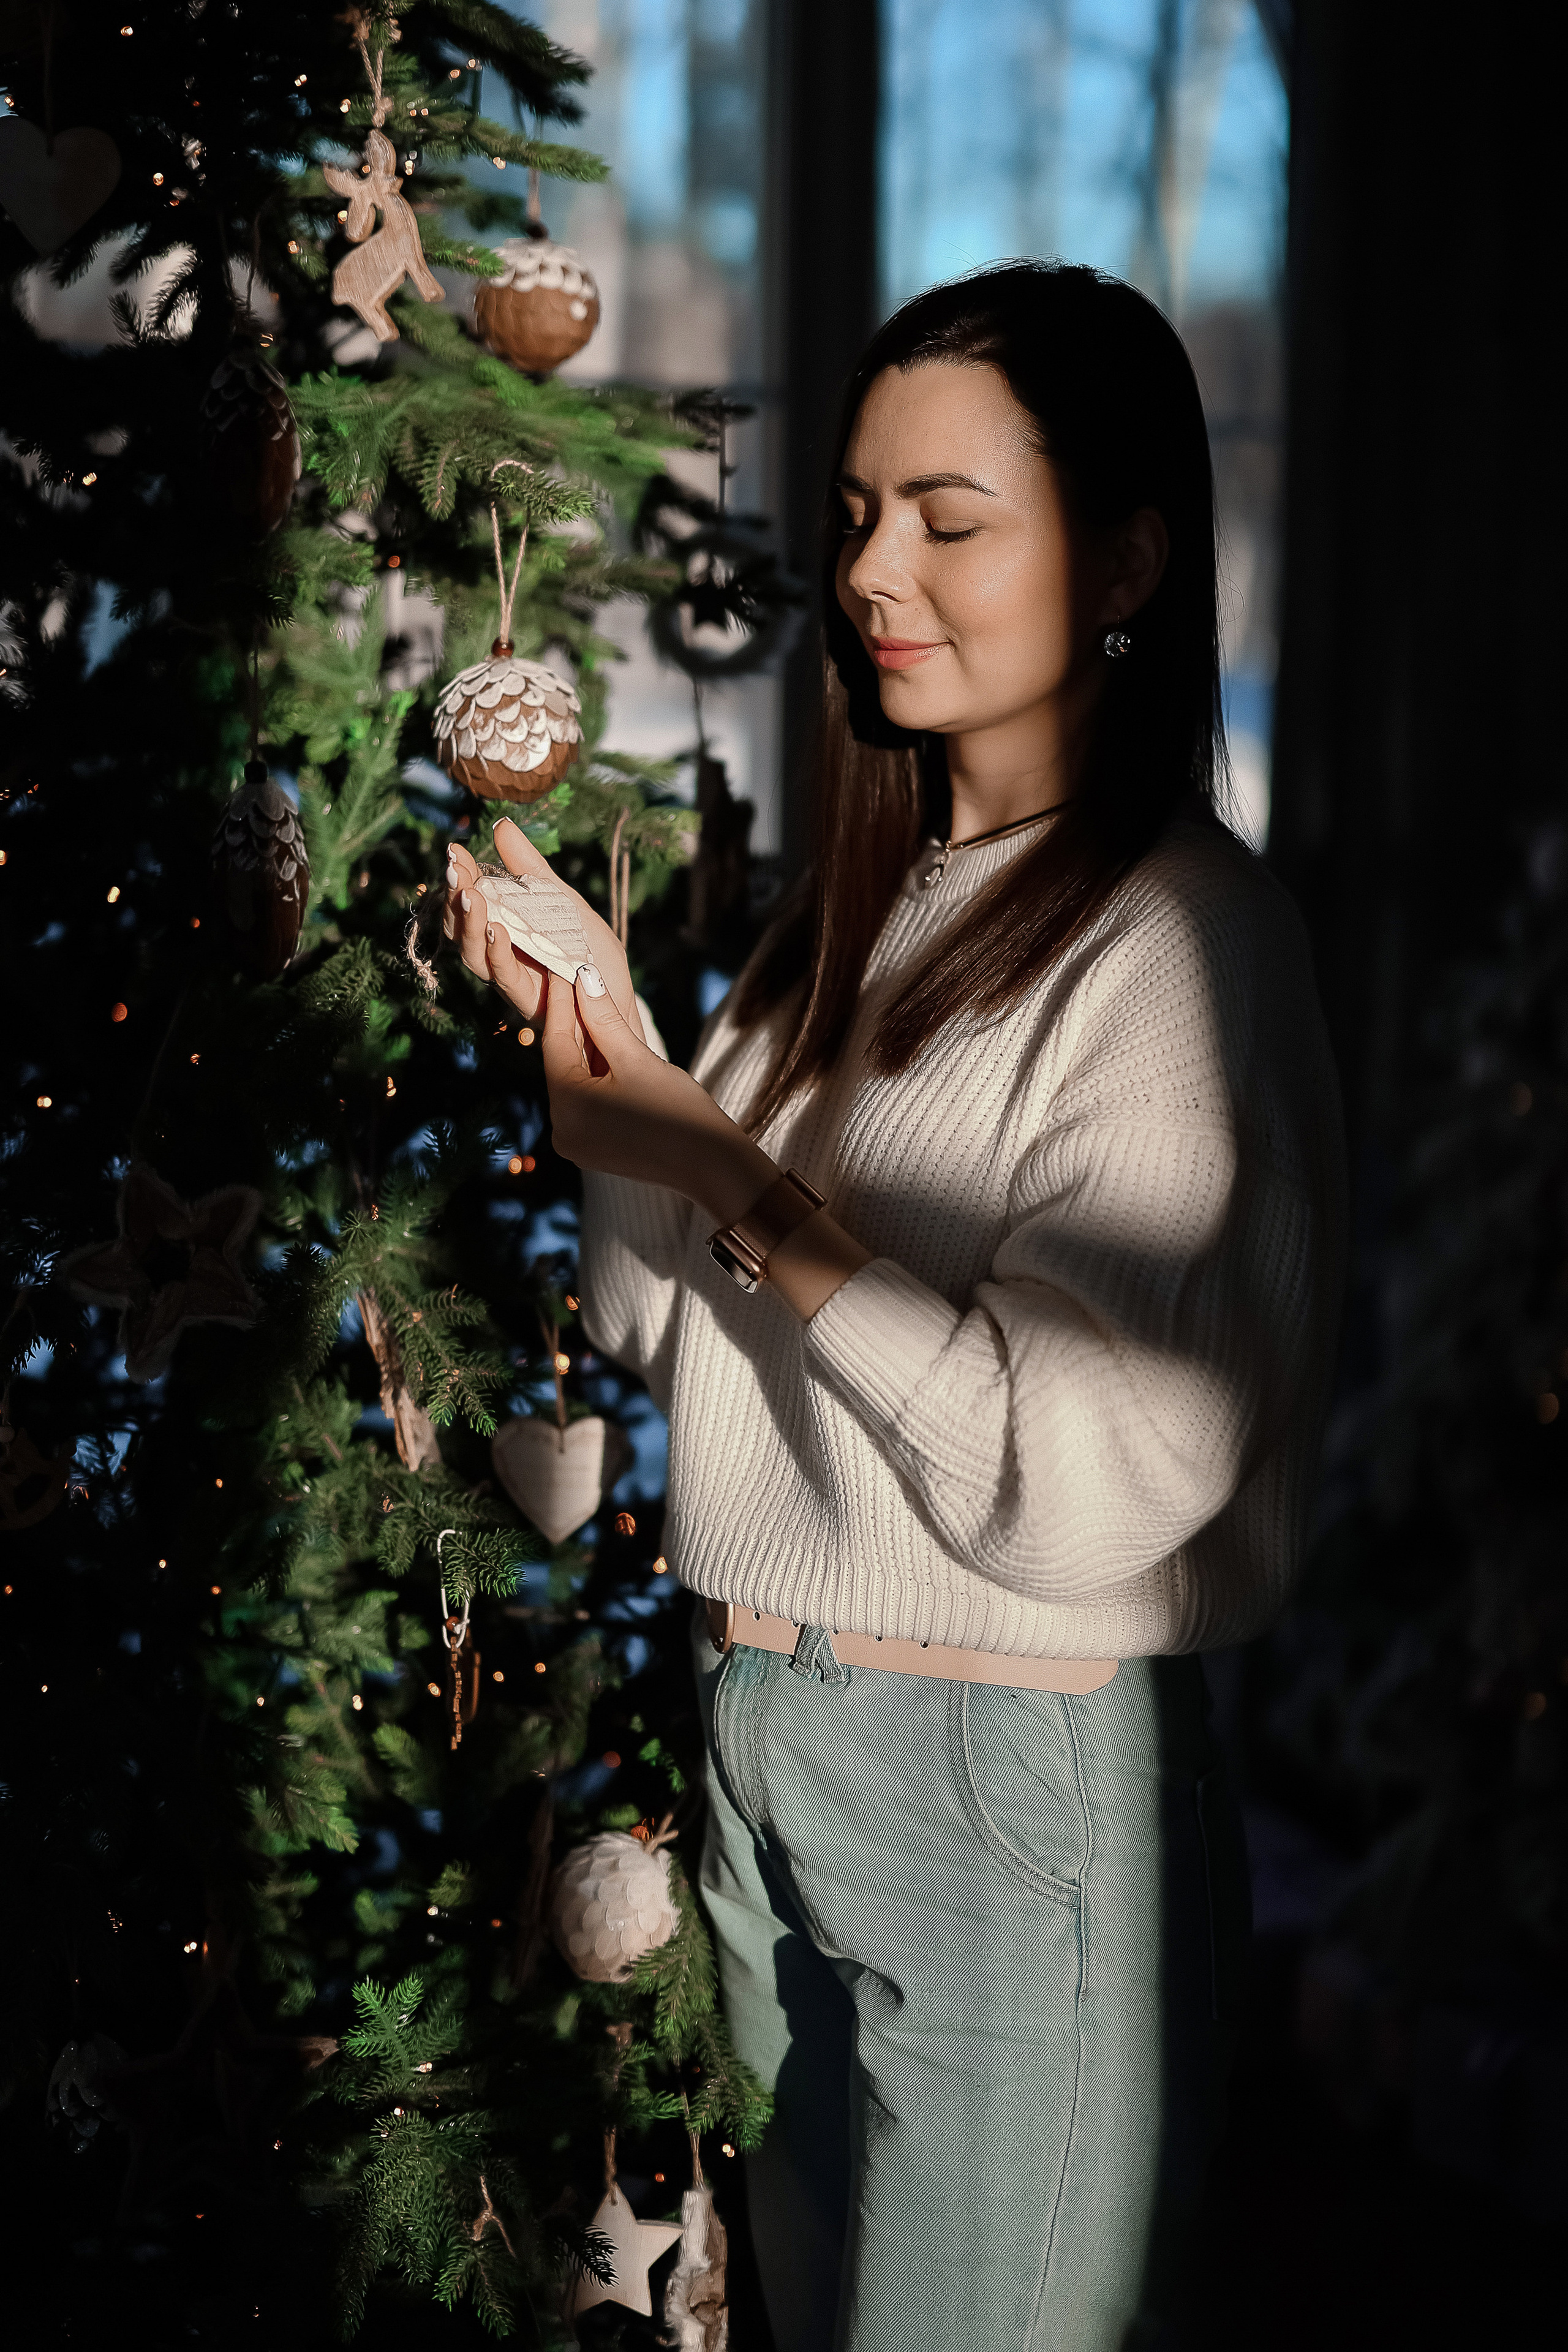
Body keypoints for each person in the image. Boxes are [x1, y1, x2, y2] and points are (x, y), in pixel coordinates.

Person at [445, 262, 1344, 2352]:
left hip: (1005, 1785)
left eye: (953, 516)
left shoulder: (1180, 951)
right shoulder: (838, 936)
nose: (874, 570)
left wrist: (728, 1172)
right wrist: (618, 1059)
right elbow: (682, 1334)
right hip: (779, 1741)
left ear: (1124, 554)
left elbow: (1075, 1467)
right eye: (855, 513)